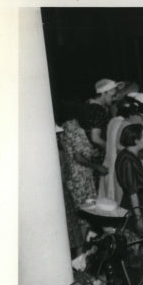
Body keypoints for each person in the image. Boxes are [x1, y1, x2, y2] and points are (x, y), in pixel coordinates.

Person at [57, 100, 107, 252]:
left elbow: (75, 150)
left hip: (75, 177)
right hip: (80, 178)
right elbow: (78, 157)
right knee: (85, 217)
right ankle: (81, 257)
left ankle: (82, 255)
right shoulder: (75, 129)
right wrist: (97, 166)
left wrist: (92, 153)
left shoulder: (67, 125)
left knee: (82, 218)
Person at [114, 123, 143, 236]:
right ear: (136, 141)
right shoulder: (128, 160)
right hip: (137, 205)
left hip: (136, 202)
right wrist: (139, 219)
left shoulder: (127, 154)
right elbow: (132, 191)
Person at [82, 77, 117, 153]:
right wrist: (111, 151)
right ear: (103, 93)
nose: (114, 99)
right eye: (112, 96)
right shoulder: (98, 109)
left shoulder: (88, 105)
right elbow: (95, 138)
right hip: (98, 153)